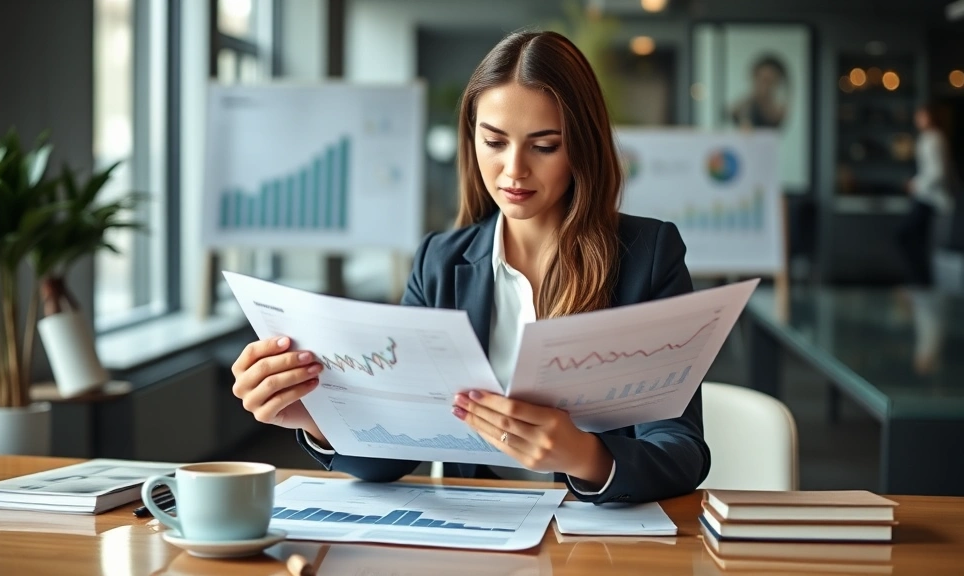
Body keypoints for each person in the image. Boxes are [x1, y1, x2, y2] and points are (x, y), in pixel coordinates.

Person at [230, 30, 710, 504]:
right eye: (494, 141)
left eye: (544, 146)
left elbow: (681, 450)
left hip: (598, 541)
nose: (514, 169)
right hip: (483, 531)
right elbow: (392, 453)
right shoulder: (441, 261)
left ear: (582, 146)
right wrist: (315, 419)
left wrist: (585, 455)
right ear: (472, 138)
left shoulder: (648, 254)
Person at [897, 103, 956, 286]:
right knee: (919, 241)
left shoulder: (934, 138)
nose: (918, 119)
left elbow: (937, 172)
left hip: (930, 199)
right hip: (925, 197)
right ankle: (920, 282)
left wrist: (916, 184)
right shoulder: (929, 137)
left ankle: (921, 280)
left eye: (921, 115)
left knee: (905, 236)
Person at [729, 55, 789, 129]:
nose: (765, 85)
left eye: (770, 81)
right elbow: (734, 111)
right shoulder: (744, 105)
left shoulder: (779, 107)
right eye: (763, 80)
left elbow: (775, 118)